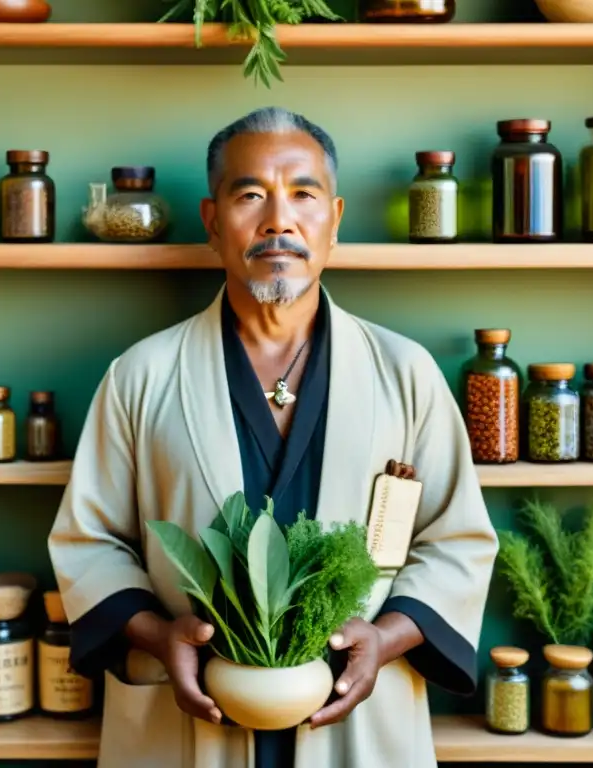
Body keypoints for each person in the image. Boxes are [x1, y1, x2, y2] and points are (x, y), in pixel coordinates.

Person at [48, 106, 498, 768]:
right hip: (192, 719)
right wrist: (160, 635)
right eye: (251, 194)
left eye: (303, 195)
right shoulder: (140, 376)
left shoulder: (406, 374)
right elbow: (89, 543)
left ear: (335, 220)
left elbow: (456, 541)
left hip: (356, 723)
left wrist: (385, 639)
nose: (278, 220)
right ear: (211, 222)